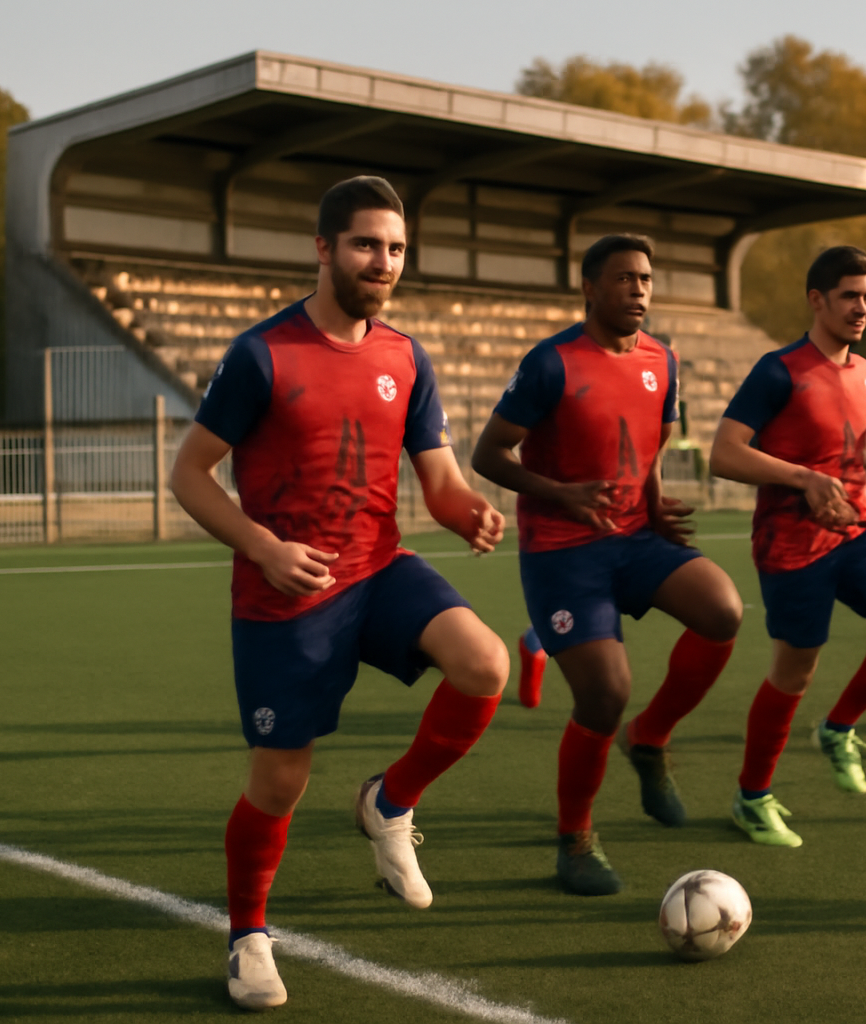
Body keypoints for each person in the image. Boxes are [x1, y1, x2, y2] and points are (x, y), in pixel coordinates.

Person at [169, 176, 510, 1010]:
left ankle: (389, 804)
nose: (381, 262)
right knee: (280, 783)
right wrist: (262, 546)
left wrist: (467, 509)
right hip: (287, 592)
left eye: (394, 248)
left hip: (379, 569)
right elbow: (189, 473)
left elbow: (438, 480)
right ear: (323, 249)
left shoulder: (404, 355)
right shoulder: (262, 354)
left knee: (484, 665)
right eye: (365, 244)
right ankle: (248, 933)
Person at [471, 234, 743, 896]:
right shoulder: (551, 363)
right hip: (563, 555)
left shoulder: (663, 360)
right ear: (590, 289)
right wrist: (562, 493)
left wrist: (650, 505)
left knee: (723, 611)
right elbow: (487, 455)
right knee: (605, 692)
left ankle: (648, 741)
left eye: (646, 279)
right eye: (624, 278)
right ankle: (576, 839)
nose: (639, 290)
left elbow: (649, 447)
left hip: (634, 537)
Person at [711, 245, 866, 848]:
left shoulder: (865, 372)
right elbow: (724, 453)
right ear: (817, 300)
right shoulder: (776, 369)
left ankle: (840, 728)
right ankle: (752, 797)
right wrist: (802, 478)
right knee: (795, 669)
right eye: (849, 296)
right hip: (790, 542)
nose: (862, 307)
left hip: (858, 529)